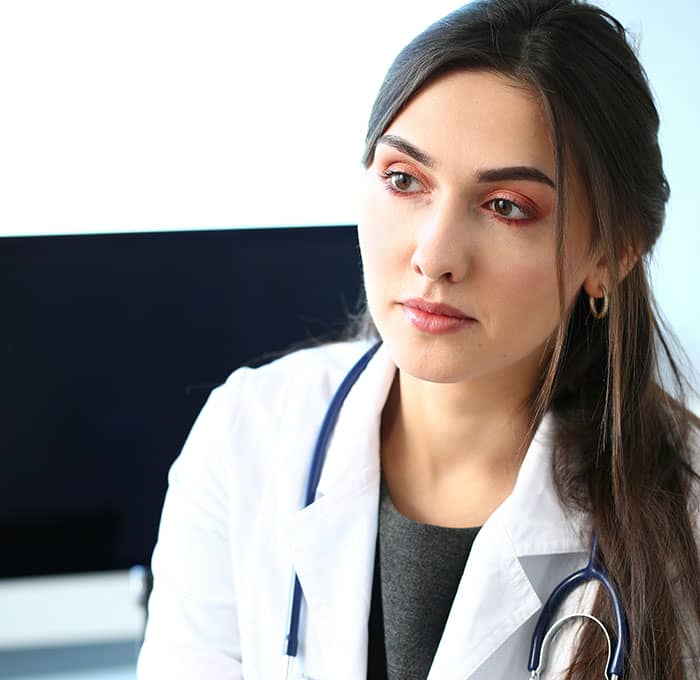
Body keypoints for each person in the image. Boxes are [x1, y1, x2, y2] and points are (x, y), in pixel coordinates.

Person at [136, 0, 700, 678]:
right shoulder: (247, 435)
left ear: (612, 252)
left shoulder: (687, 508)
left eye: (506, 207)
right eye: (404, 180)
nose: (434, 257)